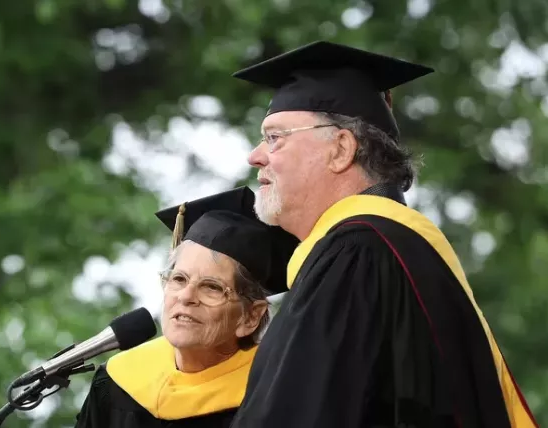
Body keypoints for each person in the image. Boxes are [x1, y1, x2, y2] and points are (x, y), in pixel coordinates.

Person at [228, 41, 538, 427]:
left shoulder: (358, 254)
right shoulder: (390, 250)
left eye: (275, 137)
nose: (255, 156)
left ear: (340, 149)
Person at [74, 186, 299, 428]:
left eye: (212, 287)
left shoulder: (276, 396)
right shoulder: (118, 382)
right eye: (179, 279)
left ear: (250, 317)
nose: (187, 296)